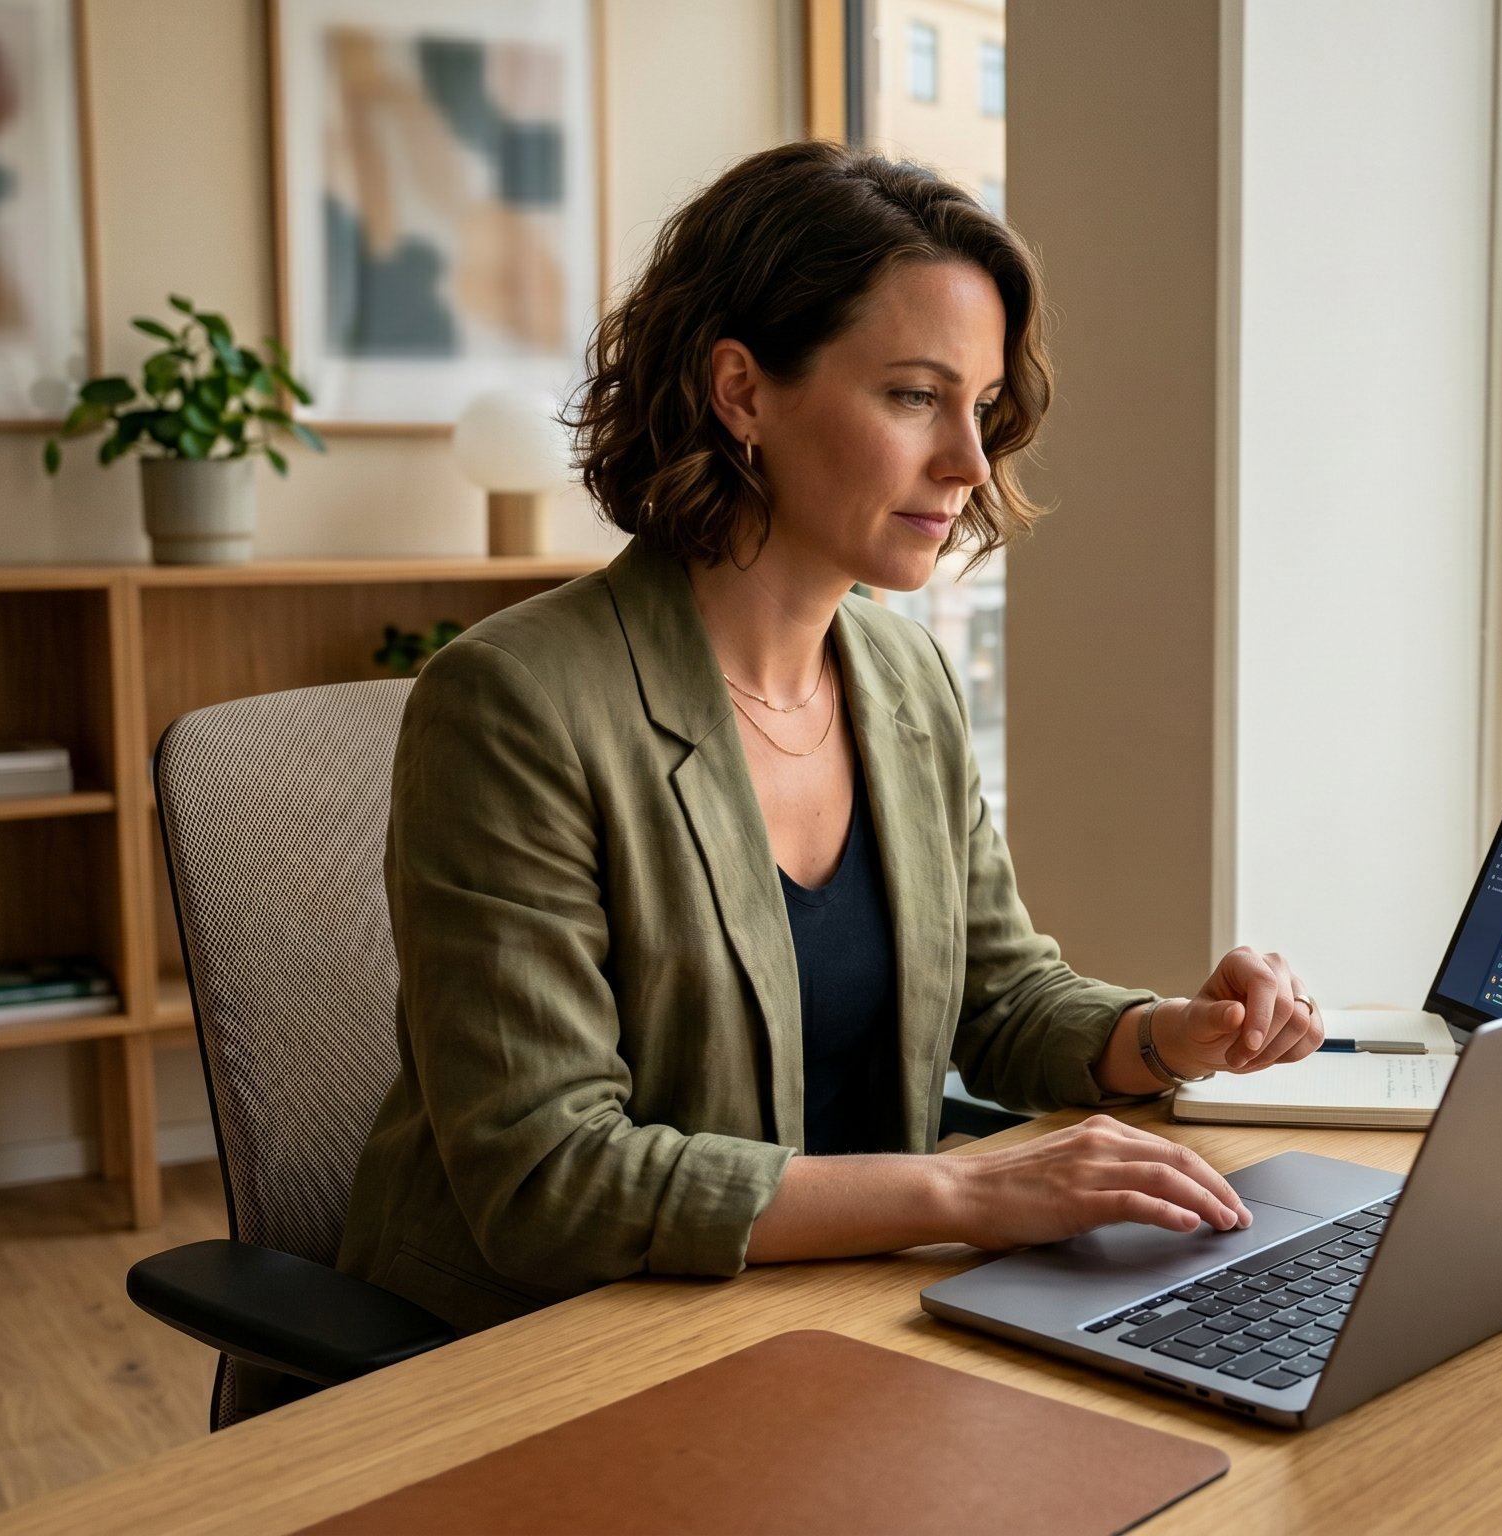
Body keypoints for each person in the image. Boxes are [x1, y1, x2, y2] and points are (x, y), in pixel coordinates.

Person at [333, 145, 1323, 1342]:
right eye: (914, 397)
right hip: (553, 1346)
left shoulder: (902, 677)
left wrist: (1171, 1035)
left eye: (983, 406)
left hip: (835, 1311)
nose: (968, 462)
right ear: (742, 391)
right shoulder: (511, 704)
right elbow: (549, 1181)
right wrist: (961, 1191)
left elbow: (998, 1000)